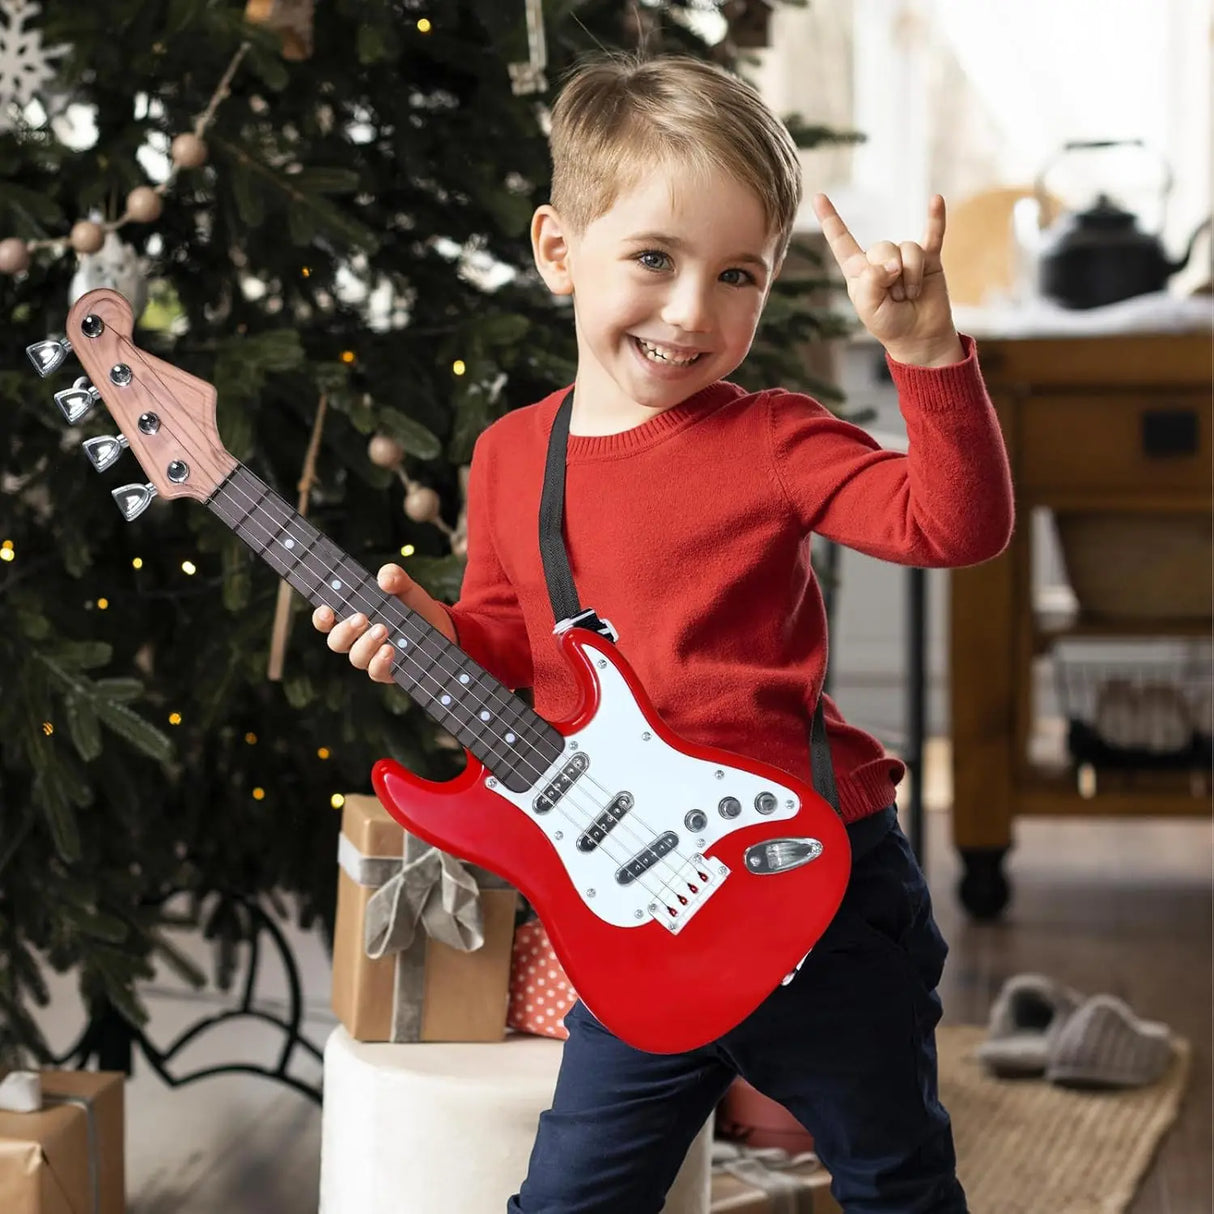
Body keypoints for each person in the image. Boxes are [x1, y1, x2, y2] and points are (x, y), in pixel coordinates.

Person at [314, 52, 1013, 1214]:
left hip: (816, 889)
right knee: (568, 1200)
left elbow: (953, 524)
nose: (693, 311)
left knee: (894, 1180)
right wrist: (431, 632)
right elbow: (515, 648)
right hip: (636, 912)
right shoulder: (508, 456)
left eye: (737, 273)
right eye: (652, 258)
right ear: (556, 251)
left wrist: (926, 352)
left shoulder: (773, 436)